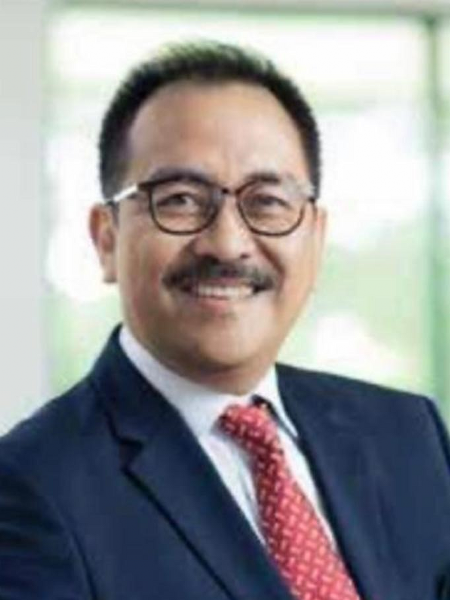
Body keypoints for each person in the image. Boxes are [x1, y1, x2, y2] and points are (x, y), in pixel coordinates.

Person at [1, 41, 450, 600]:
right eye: (180, 199)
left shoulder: (407, 435)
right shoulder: (30, 488)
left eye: (267, 201)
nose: (228, 243)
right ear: (106, 239)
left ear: (316, 239)